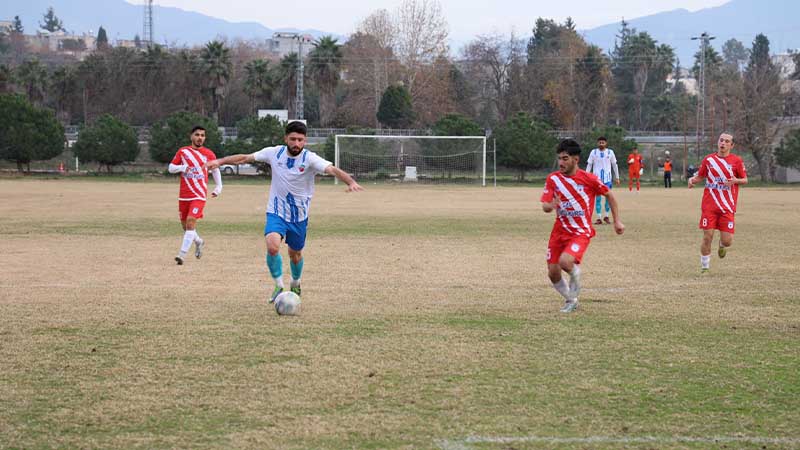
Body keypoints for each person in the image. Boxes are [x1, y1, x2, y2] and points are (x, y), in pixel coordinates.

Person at [206, 121, 363, 301]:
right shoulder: (274, 153)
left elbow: (332, 169)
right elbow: (245, 158)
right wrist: (219, 161)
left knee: (295, 254)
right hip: (276, 212)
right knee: (272, 246)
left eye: (300, 140)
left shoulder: (310, 158)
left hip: (299, 216)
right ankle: (279, 285)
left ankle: (296, 283)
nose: (296, 144)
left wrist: (350, 182)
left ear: (305, 141)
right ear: (285, 139)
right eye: (293, 139)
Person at [541, 139, 625, 313]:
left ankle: (574, 279)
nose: (561, 162)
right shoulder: (553, 179)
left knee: (566, 262)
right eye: (559, 158)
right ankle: (572, 299)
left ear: (576, 159)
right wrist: (551, 205)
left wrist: (617, 221)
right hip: (559, 232)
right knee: (553, 273)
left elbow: (610, 195)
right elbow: (545, 206)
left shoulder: (589, 179)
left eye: (565, 158)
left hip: (580, 231)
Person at [688, 132, 748, 273]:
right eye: (721, 140)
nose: (723, 143)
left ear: (731, 145)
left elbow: (745, 180)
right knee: (707, 237)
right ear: (718, 142)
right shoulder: (709, 160)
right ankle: (705, 268)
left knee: (727, 241)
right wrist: (692, 180)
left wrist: (735, 181)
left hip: (727, 207)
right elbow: (701, 176)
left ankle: (721, 245)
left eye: (727, 141)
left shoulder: (737, 161)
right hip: (709, 206)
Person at [168, 125, 222, 265]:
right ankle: (199, 242)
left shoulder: (209, 154)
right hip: (184, 196)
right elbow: (171, 168)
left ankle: (182, 255)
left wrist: (219, 187)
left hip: (199, 195)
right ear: (191, 136)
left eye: (203, 135)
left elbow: (215, 171)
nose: (200, 138)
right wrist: (182, 167)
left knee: (191, 221)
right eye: (197, 135)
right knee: (186, 227)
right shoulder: (183, 151)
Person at [585, 136, 620, 224]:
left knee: (608, 198)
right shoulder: (593, 152)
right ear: (597, 143)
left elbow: (614, 165)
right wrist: (586, 176)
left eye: (603, 142)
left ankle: (606, 216)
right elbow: (589, 164)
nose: (601, 144)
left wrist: (617, 177)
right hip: (596, 180)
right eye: (600, 142)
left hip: (607, 179)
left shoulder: (610, 152)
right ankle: (599, 217)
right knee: (598, 199)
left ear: (606, 143)